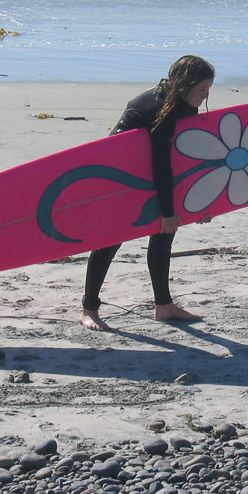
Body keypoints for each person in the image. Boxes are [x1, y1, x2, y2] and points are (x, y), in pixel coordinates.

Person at [79, 55, 215, 331]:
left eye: (208, 89)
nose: (205, 96)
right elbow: (161, 163)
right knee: (110, 242)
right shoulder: (159, 108)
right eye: (201, 89)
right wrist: (167, 211)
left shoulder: (183, 104)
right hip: (117, 178)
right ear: (185, 85)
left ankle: (163, 306)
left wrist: (199, 206)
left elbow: (186, 159)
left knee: (164, 237)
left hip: (150, 176)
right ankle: (89, 309)